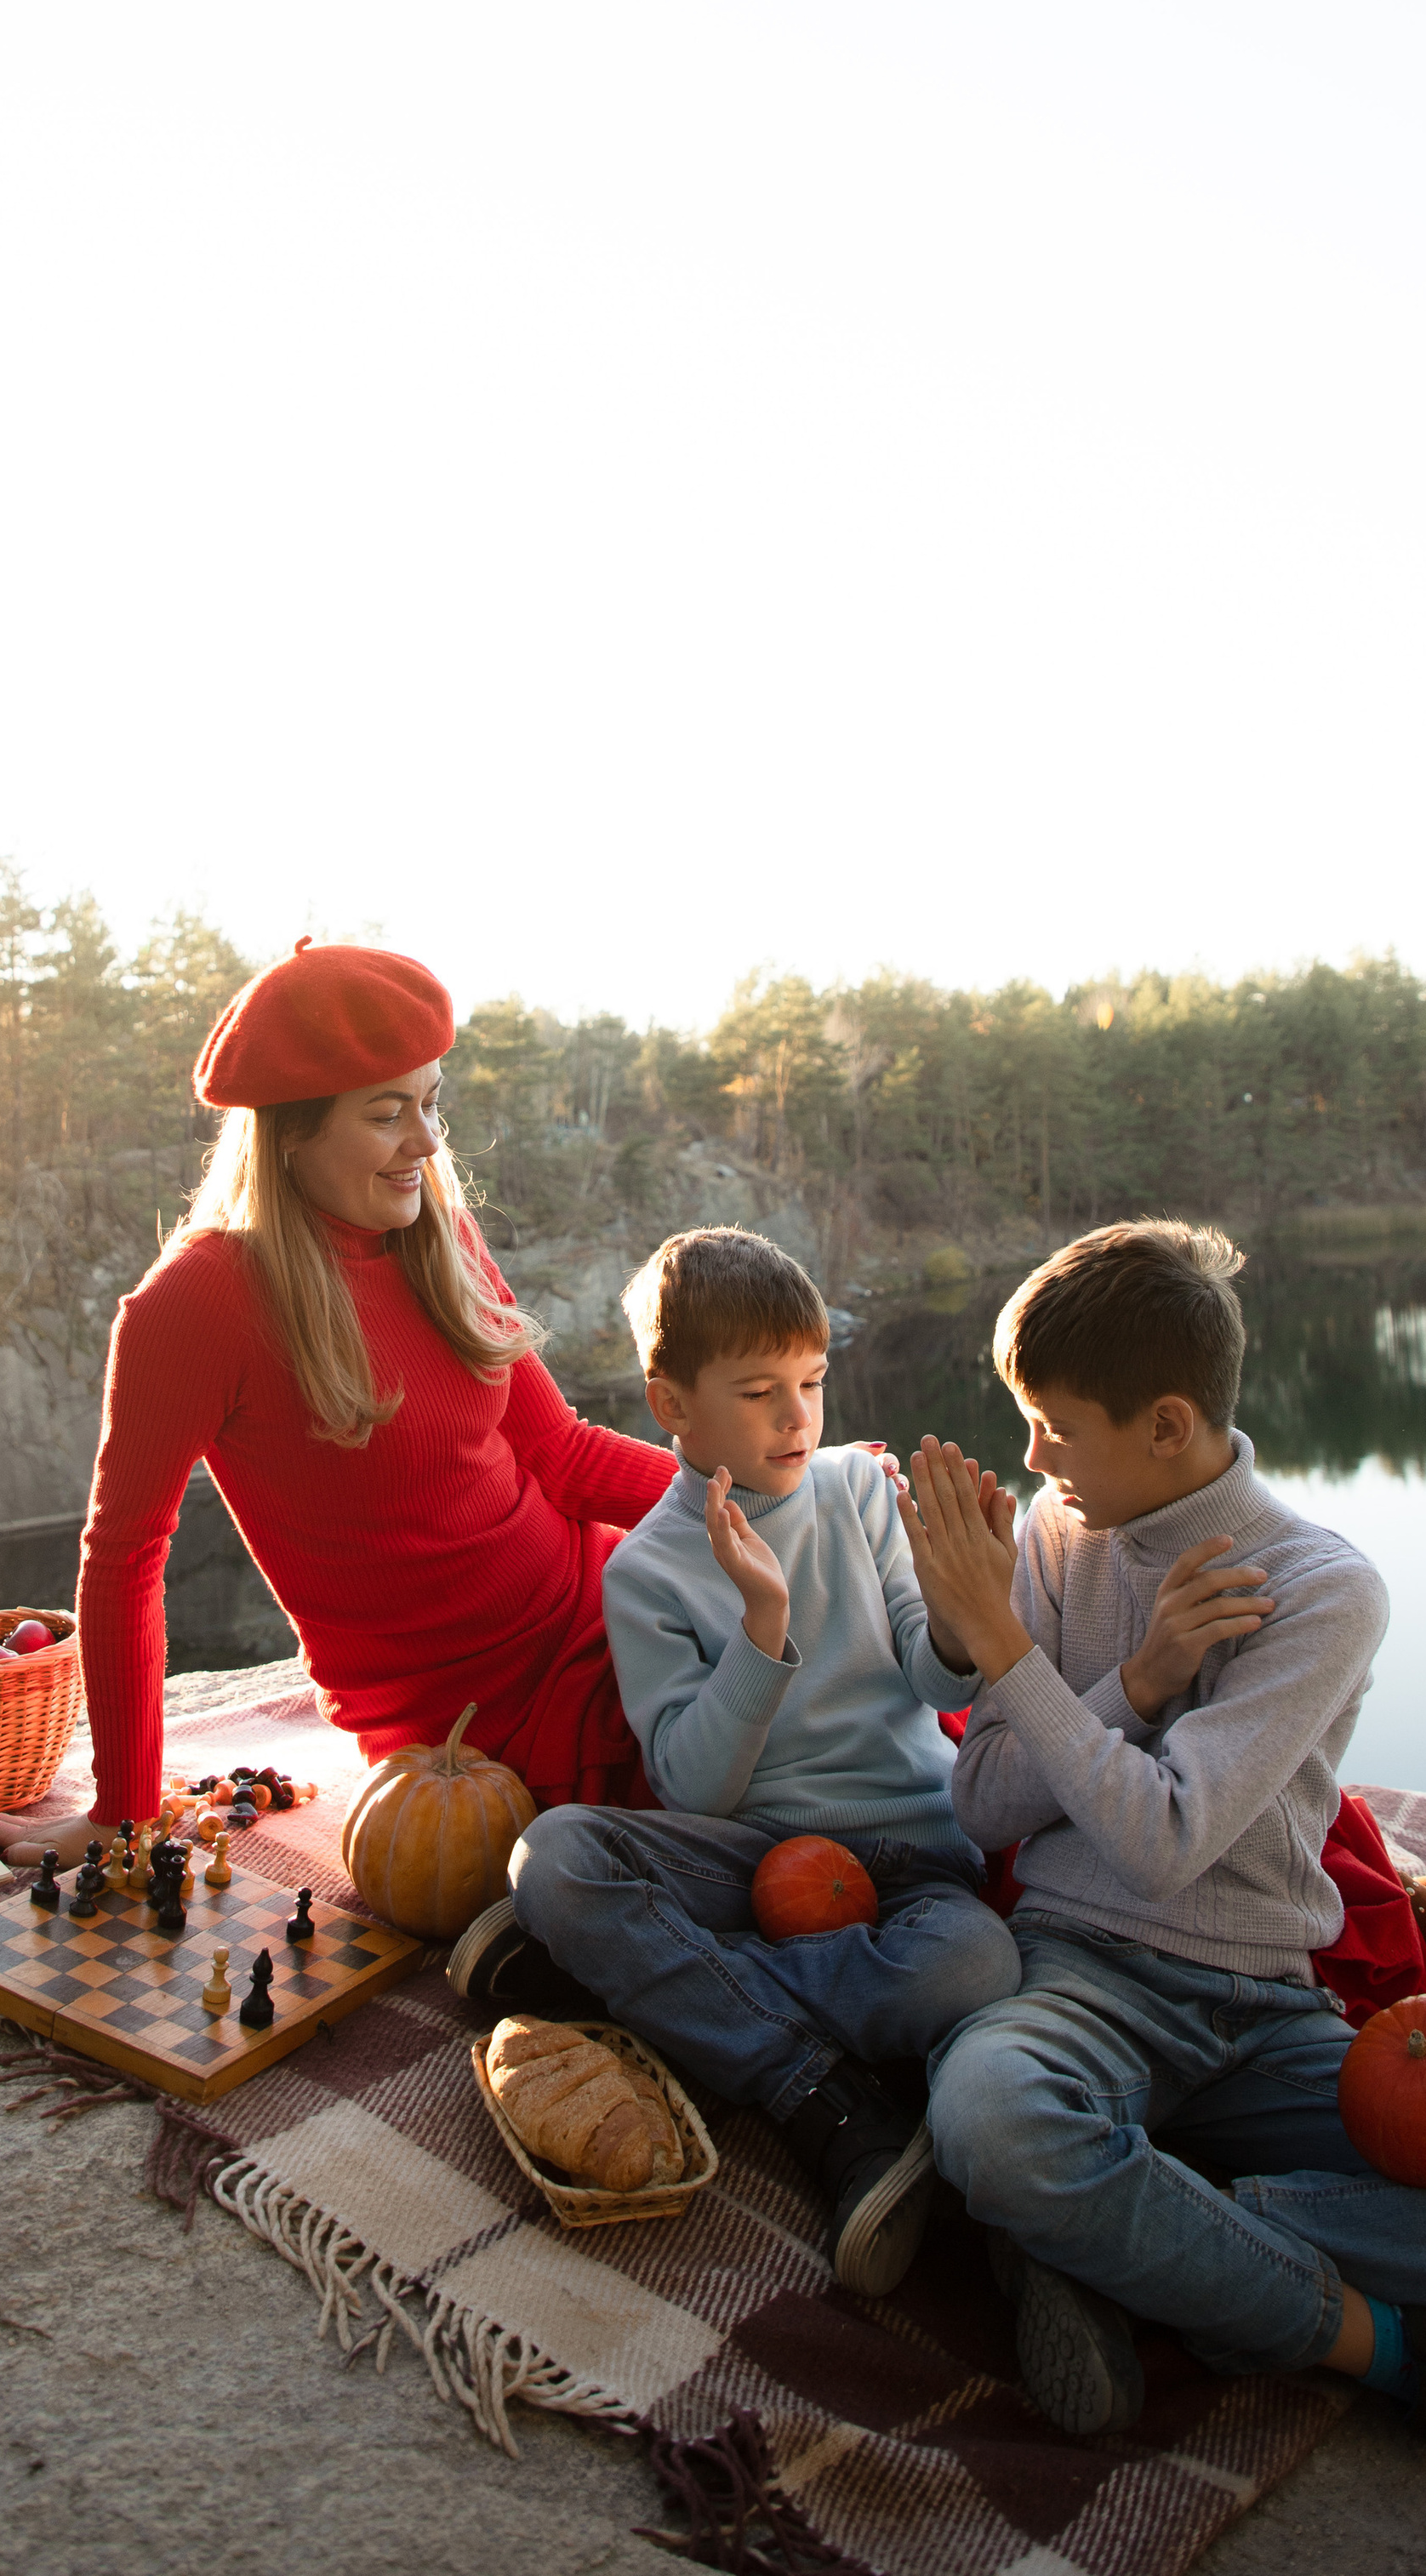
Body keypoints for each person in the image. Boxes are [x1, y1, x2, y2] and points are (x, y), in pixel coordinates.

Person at [906, 1220, 1426, 2512]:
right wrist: (1132, 1678)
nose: (1032, 1458)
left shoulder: (1326, 1587)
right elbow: (989, 1803)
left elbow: (1165, 1843)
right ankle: (1415, 2360)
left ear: (1168, 1424)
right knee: (994, 2118)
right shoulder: (1058, 1537)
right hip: (1078, 1987)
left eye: (1055, 1426)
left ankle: (1146, 2231)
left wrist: (1012, 1658)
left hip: (1262, 2014)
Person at [459, 1227, 1024, 2295]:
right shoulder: (650, 1571)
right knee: (555, 1857)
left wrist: (964, 1614)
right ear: (670, 1403)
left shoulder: (860, 1490)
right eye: (760, 1390)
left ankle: (657, 1989)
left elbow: (935, 1678)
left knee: (976, 1968)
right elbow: (693, 1786)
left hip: (907, 1853)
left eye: (811, 1382)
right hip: (745, 1853)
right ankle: (813, 2086)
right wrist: (762, 1624)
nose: (797, 1416)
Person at [73, 939, 678, 1828]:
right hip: (478, 1730)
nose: (426, 1142)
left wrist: (787, 1496)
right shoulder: (198, 1304)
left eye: (431, 1104)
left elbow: (561, 1453)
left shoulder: (440, 1233)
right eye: (388, 1113)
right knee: (800, 1766)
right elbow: (124, 1561)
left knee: (848, 1668)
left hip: (615, 1607)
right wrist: (120, 1811)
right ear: (290, 1133)